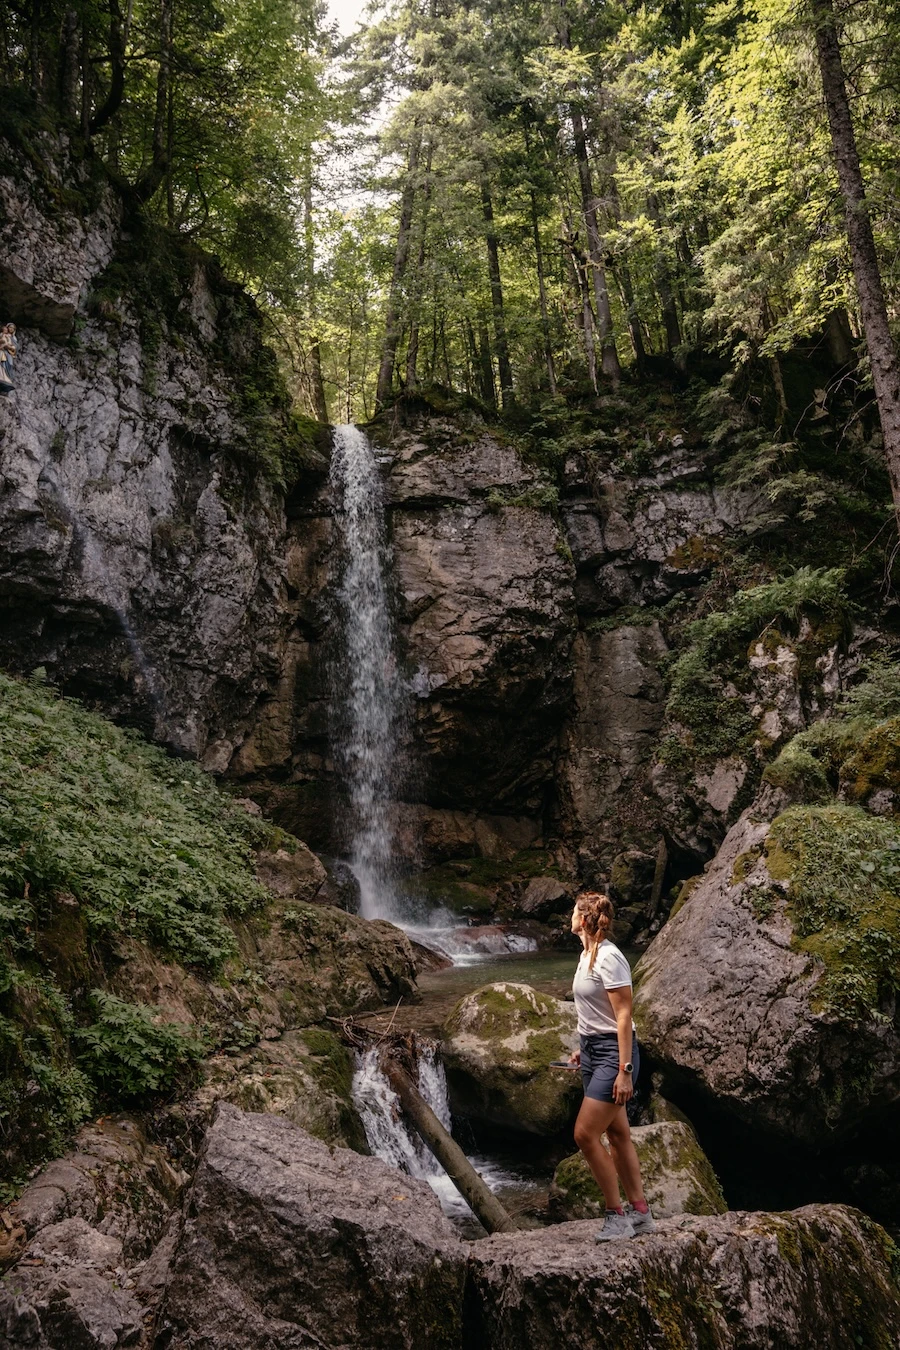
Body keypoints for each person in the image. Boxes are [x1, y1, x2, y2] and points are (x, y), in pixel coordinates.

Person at [566, 890, 655, 1241]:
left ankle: (615, 1215)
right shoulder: (585, 954)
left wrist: (624, 1070)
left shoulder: (609, 957)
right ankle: (641, 1213)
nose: (569, 917)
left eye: (574, 912)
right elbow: (597, 1012)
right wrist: (581, 1048)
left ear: (585, 919)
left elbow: (623, 1016)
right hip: (592, 1051)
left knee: (584, 1134)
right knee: (617, 1135)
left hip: (612, 1056)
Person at [0, 324, 17, 392]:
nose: (11, 329)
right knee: (2, 364)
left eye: (13, 328)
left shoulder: (13, 338)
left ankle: (7, 378)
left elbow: (15, 347)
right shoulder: (3, 335)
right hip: (3, 352)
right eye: (10, 327)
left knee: (9, 365)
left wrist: (10, 347)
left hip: (9, 354)